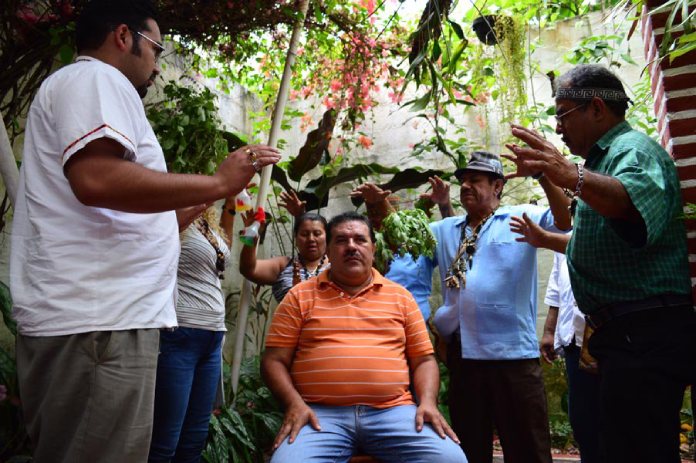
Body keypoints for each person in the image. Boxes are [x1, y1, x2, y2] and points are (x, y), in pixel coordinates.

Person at [9, 1, 280, 461]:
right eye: (155, 46)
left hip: (107, 320)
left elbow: (138, 217)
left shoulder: (90, 85)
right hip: (98, 322)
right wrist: (216, 182)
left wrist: (212, 193)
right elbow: (96, 178)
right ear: (122, 36)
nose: (157, 61)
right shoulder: (95, 78)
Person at [508, 64, 696, 463]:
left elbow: (628, 201)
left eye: (562, 115)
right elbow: (582, 234)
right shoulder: (600, 163)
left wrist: (567, 172)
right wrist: (554, 175)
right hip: (621, 334)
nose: (558, 128)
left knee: (640, 449)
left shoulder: (632, 150)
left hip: (645, 330)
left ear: (596, 108)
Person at [261, 212, 467, 462]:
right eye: (341, 240)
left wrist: (427, 403)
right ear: (328, 248)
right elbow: (273, 360)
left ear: (374, 248)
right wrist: (294, 403)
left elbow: (424, 360)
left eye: (360, 239)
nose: (351, 247)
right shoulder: (299, 296)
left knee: (450, 459)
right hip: (319, 416)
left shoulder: (401, 297)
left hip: (393, 413)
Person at [427, 150, 571, 463]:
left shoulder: (520, 217)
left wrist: (542, 176)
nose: (466, 185)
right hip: (464, 358)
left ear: (497, 187)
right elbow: (403, 241)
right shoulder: (446, 229)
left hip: (514, 358)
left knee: (528, 450)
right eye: (463, 180)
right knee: (469, 448)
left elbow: (565, 220)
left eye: (474, 180)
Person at [148, 200, 235, 462]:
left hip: (212, 334)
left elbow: (222, 254)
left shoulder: (206, 220)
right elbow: (159, 238)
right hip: (180, 332)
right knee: (165, 441)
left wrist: (231, 205)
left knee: (194, 439)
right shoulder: (170, 211)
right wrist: (211, 192)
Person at [510, 220, 601, 462]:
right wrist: (549, 329)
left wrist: (544, 238)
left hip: (603, 335)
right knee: (582, 417)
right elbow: (556, 280)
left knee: (612, 417)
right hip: (572, 336)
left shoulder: (604, 223)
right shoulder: (569, 227)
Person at [350, 180, 453, 322]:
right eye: (371, 213)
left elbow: (456, 242)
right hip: (374, 324)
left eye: (381, 213)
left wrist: (445, 204)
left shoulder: (419, 243)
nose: (376, 218)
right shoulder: (364, 249)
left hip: (417, 322)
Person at [239, 190, 329, 302]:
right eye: (304, 234)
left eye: (317, 234)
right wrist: (250, 237)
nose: (311, 239)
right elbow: (248, 269)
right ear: (295, 238)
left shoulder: (336, 267)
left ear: (327, 237)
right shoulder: (283, 265)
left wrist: (300, 215)